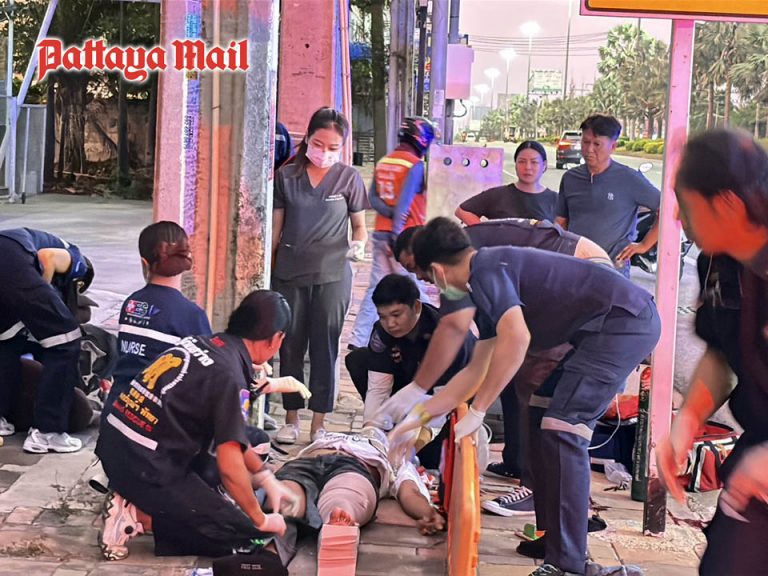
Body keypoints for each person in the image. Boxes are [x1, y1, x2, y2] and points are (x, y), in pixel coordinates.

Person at [385, 217, 660, 576]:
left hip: (624, 323)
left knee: (564, 427)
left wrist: (480, 410)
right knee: (540, 413)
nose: (435, 289)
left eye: (427, 280)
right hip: (599, 329)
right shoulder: (481, 279)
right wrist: (418, 415)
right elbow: (477, 367)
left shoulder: (487, 269)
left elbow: (517, 339)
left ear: (437, 271)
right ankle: (554, 540)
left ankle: (569, 564)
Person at [390, 219, 612, 517]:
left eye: (417, 267)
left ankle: (541, 492)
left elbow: (454, 328)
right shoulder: (467, 268)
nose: (420, 277)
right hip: (584, 274)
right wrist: (422, 408)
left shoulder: (472, 265)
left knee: (539, 385)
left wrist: (473, 407)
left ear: (433, 259)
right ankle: (531, 476)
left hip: (587, 271)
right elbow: (480, 359)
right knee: (516, 375)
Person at [96, 290, 302, 562]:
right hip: (144, 463)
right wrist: (259, 519)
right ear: (276, 338)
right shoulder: (229, 375)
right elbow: (230, 465)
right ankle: (135, 516)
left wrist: (266, 477)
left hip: (118, 445)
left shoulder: (205, 343)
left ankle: (149, 500)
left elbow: (234, 439)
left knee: (233, 465)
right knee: (242, 537)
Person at [656, 129, 768, 575]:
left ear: (727, 204)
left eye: (686, 204)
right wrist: (687, 421)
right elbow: (721, 351)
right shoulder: (718, 261)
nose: (677, 217)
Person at [271, 107, 368, 445]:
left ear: (342, 147)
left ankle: (319, 423)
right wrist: (269, 270)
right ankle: (292, 418)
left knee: (325, 347)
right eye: (318, 144)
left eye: (332, 147)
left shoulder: (348, 178)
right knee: (291, 347)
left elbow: (359, 227)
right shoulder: (287, 177)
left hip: (332, 276)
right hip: (289, 274)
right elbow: (276, 230)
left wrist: (358, 245)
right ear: (308, 139)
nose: (324, 152)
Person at [345, 273, 475, 468]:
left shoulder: (444, 335)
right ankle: (391, 426)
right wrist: (371, 431)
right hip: (413, 385)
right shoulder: (382, 332)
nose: (390, 324)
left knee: (428, 460)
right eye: (383, 316)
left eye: (396, 315)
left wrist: (416, 435)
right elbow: (378, 387)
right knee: (358, 360)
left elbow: (444, 400)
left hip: (454, 395)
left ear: (416, 307)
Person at [273, 425, 444, 567]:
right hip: (306, 463)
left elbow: (410, 493)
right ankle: (269, 554)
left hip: (353, 467)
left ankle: (338, 525)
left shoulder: (398, 457)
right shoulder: (328, 438)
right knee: (284, 502)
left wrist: (428, 513)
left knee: (344, 495)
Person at [0, 227, 94, 453]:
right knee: (65, 340)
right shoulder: (78, 261)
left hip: (8, 260)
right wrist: (42, 301)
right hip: (10, 258)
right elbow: (47, 257)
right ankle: (48, 433)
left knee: (6, 339)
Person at [348, 117, 435, 349]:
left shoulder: (385, 161)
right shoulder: (415, 165)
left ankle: (359, 338)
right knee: (415, 286)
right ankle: (436, 330)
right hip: (406, 238)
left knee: (376, 286)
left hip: (381, 233)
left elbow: (373, 199)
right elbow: (404, 205)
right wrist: (398, 239)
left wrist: (389, 213)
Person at [110, 221, 211, 396]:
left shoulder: (131, 304)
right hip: (159, 409)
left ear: (144, 262)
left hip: (118, 402)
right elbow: (208, 371)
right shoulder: (192, 315)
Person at [555, 114, 661, 277]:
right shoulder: (570, 178)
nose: (589, 149)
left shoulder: (629, 179)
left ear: (613, 146)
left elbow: (667, 209)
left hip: (614, 268)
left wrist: (644, 245)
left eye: (597, 144)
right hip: (575, 266)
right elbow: (561, 221)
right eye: (585, 142)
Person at [455, 140, 557, 225]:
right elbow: (462, 211)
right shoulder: (497, 195)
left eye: (534, 162)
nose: (527, 167)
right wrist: (486, 234)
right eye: (522, 161)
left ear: (544, 165)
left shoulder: (556, 200)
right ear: (515, 164)